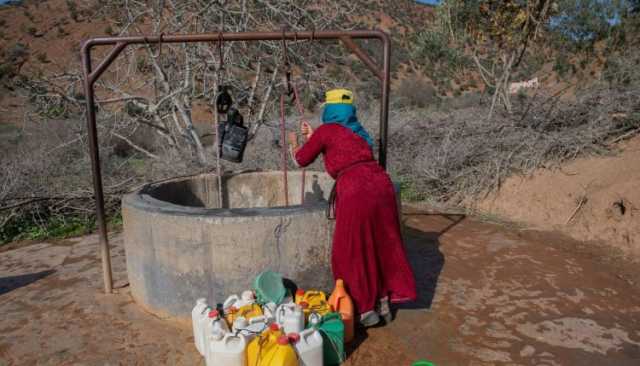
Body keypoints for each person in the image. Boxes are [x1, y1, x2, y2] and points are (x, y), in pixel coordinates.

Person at [288, 89, 417, 327]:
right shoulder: (358, 132)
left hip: (357, 189)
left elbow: (301, 160)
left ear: (330, 109)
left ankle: (363, 310)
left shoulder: (327, 131)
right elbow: (340, 146)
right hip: (381, 185)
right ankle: (383, 302)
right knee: (380, 245)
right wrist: (314, 137)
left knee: (350, 251)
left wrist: (294, 144)